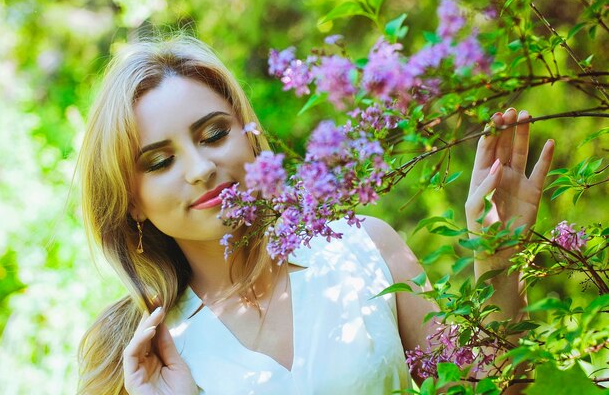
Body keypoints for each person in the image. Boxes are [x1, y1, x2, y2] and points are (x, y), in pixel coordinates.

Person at [76, 37, 554, 394]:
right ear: (131, 200)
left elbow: (489, 387)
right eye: (160, 162)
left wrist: (498, 258)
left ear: (250, 135)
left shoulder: (364, 246)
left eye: (214, 134)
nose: (201, 169)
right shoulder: (139, 355)